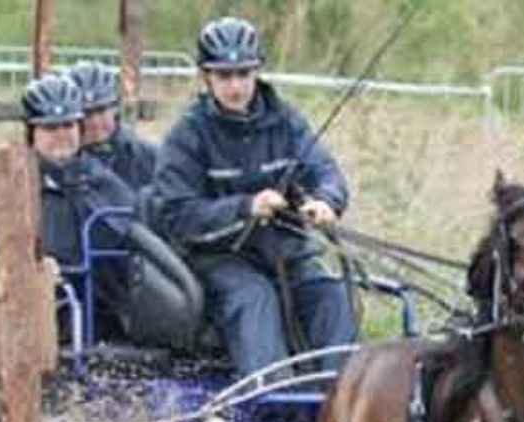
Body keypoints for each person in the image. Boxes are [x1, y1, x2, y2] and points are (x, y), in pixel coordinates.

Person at [155, 16, 358, 380]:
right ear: (206, 78)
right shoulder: (187, 136)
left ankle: (338, 403)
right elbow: (177, 216)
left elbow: (324, 171)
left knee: (332, 295)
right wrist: (246, 207)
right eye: (224, 76)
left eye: (243, 74)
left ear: (257, 72)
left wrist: (326, 201)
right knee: (254, 298)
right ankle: (273, 404)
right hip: (220, 261)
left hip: (287, 253)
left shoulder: (286, 122)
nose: (235, 86)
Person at [25, 74, 206, 352]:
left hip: (105, 304)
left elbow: (134, 230)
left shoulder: (97, 175)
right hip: (37, 307)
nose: (61, 135)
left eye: (68, 125)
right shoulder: (15, 181)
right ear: (32, 132)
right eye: (50, 128)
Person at [67, 60, 157, 192]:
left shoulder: (146, 157)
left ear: (115, 108)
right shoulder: (59, 164)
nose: (95, 122)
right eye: (87, 113)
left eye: (101, 110)